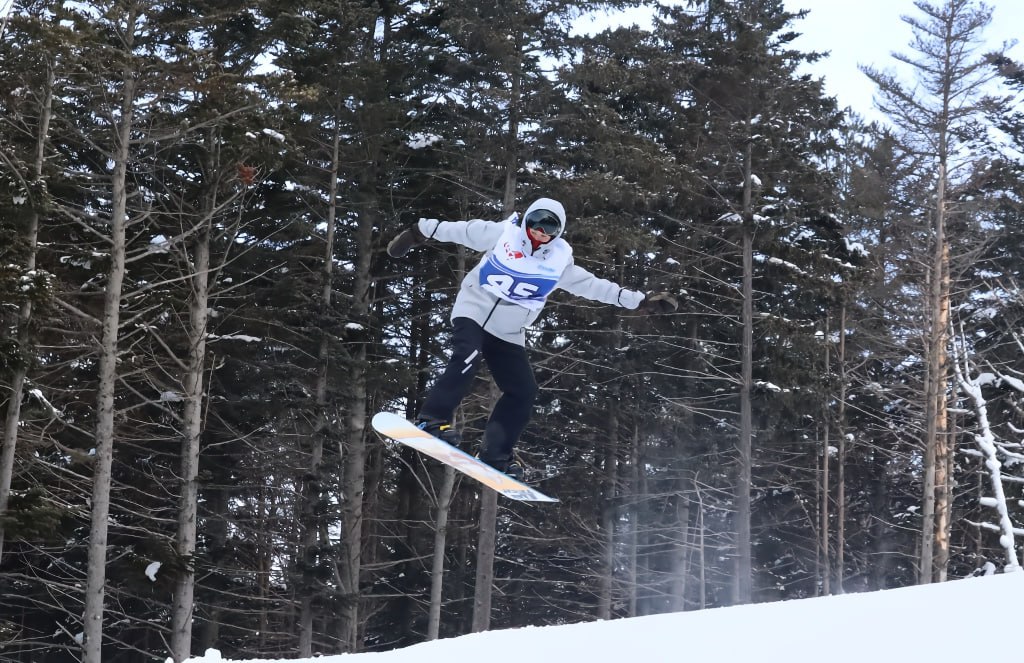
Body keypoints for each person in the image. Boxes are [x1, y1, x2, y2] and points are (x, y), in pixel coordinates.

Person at [387, 197, 677, 480]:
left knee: (523, 390)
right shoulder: (502, 235)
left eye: (549, 228)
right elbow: (458, 230)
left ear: (558, 232)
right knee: (467, 355)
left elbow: (594, 286)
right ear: (526, 220)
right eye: (536, 223)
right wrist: (417, 232)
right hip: (473, 310)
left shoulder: (559, 262)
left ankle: (495, 455)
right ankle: (432, 419)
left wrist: (641, 301)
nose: (540, 231)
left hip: (509, 330)